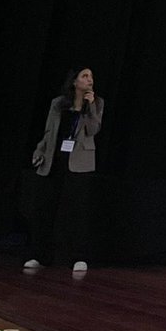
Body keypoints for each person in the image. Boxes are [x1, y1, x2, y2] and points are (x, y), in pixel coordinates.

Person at [24, 67, 103, 274]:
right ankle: (39, 255)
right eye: (85, 76)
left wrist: (90, 106)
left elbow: (94, 129)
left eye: (91, 77)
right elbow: (49, 131)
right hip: (55, 160)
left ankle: (79, 257)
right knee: (44, 208)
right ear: (75, 81)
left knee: (77, 211)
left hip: (80, 162)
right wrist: (39, 150)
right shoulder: (58, 103)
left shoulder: (97, 103)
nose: (89, 80)